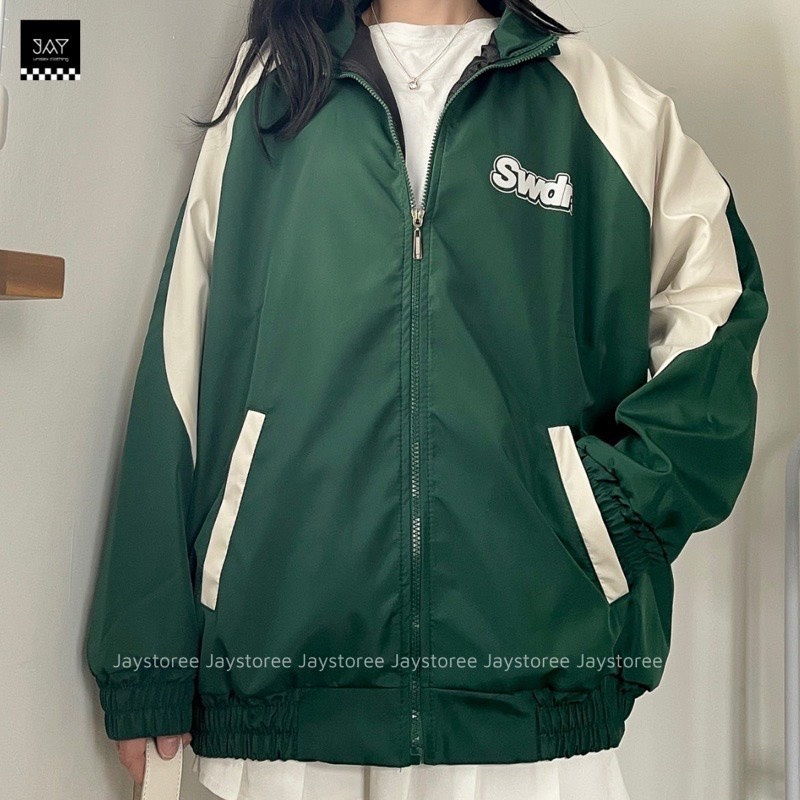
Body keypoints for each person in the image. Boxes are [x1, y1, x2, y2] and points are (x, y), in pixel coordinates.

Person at [85, 1, 769, 798]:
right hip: (285, 710)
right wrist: (145, 661)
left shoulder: (602, 105)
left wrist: (602, 519)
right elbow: (179, 364)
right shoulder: (272, 91)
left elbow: (719, 316)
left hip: (532, 711)